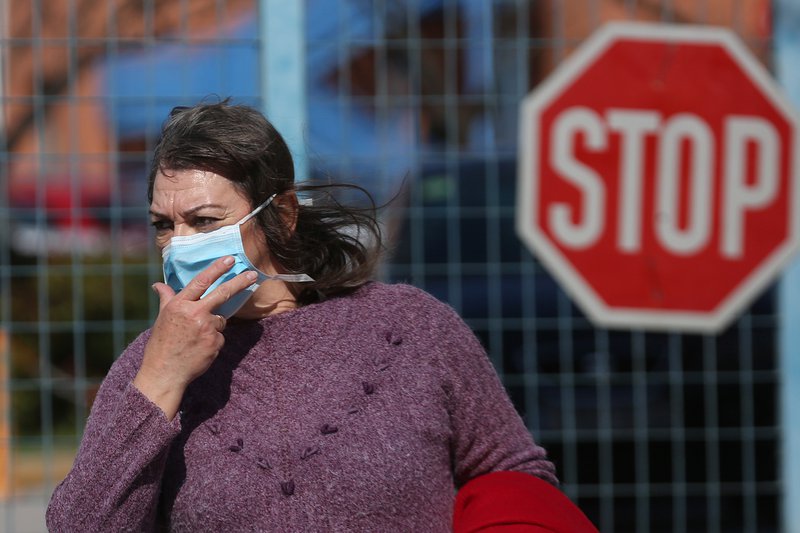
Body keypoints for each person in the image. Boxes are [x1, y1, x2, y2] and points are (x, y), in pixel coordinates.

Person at [46, 99, 595, 532]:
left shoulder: (411, 329)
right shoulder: (148, 366)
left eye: (204, 220)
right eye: (164, 225)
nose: (179, 244)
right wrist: (161, 380)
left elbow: (513, 480)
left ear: (280, 216)